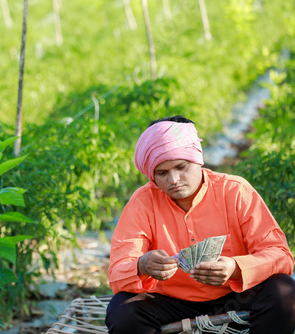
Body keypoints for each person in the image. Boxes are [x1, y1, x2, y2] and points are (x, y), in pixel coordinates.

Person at [105, 115, 295, 334]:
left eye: (181, 166)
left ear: (197, 158)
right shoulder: (142, 202)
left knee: (284, 291)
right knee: (122, 311)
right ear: (151, 176)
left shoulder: (235, 191)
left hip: (235, 296)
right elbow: (118, 272)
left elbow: (280, 256)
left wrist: (235, 268)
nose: (173, 179)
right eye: (162, 173)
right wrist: (143, 265)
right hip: (170, 302)